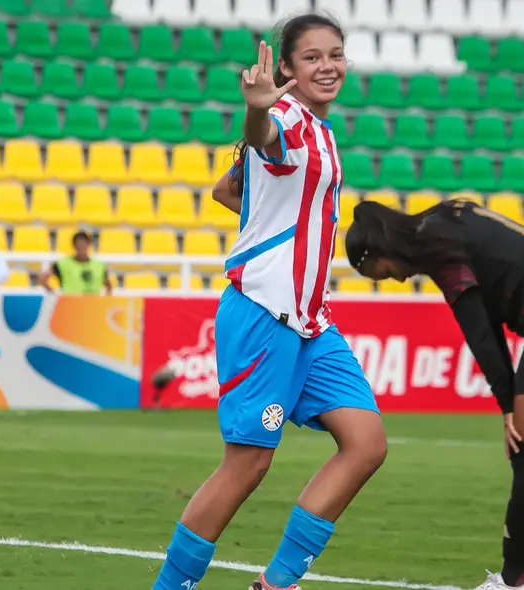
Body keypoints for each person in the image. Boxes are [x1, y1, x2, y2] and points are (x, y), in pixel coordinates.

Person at [150, 15, 387, 590]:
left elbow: (229, 189)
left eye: (336, 55)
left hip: (308, 322)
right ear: (286, 68)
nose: (327, 66)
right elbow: (263, 140)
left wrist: (271, 224)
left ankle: (275, 583)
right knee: (249, 464)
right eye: (311, 57)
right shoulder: (285, 120)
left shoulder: (321, 129)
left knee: (366, 443)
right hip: (263, 314)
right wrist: (257, 109)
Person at [345, 199, 524, 590]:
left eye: (379, 273)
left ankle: (516, 582)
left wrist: (507, 404)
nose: (392, 280)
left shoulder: (438, 248)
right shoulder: (441, 221)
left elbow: (481, 333)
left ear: (381, 250)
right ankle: (517, 579)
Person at [37, 231, 113, 295]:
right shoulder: (63, 264)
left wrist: (105, 302)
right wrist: (54, 296)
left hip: (93, 306)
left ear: (88, 244)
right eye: (78, 245)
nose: (81, 248)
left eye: (83, 244)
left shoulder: (99, 265)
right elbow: (42, 279)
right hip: (71, 306)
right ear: (74, 246)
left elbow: (109, 286)